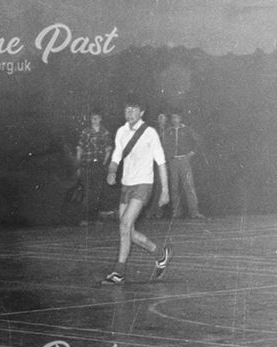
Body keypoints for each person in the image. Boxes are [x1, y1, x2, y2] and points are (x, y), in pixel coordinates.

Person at [101, 99, 170, 285]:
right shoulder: (121, 132)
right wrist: (112, 171)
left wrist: (165, 190)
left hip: (143, 185)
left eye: (134, 109)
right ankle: (159, 253)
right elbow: (116, 154)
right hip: (127, 185)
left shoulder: (150, 133)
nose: (130, 112)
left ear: (142, 112)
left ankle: (119, 272)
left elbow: (161, 162)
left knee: (124, 225)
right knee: (127, 230)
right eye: (127, 109)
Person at [163, 110, 205, 219]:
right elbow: (165, 145)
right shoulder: (168, 131)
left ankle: (194, 212)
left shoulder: (187, 130)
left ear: (181, 118)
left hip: (184, 160)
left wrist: (192, 153)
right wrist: (168, 157)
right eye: (173, 118)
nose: (174, 120)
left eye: (176, 117)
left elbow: (199, 141)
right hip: (173, 161)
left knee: (189, 186)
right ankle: (176, 212)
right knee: (174, 187)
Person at [75, 109, 113, 226]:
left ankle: (95, 218)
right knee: (87, 191)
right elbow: (80, 148)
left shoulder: (104, 133)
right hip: (87, 164)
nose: (94, 120)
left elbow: (108, 149)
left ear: (100, 119)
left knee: (97, 193)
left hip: (99, 165)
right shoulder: (86, 132)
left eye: (96, 118)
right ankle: (84, 219)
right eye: (92, 118)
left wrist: (104, 162)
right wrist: (78, 164)